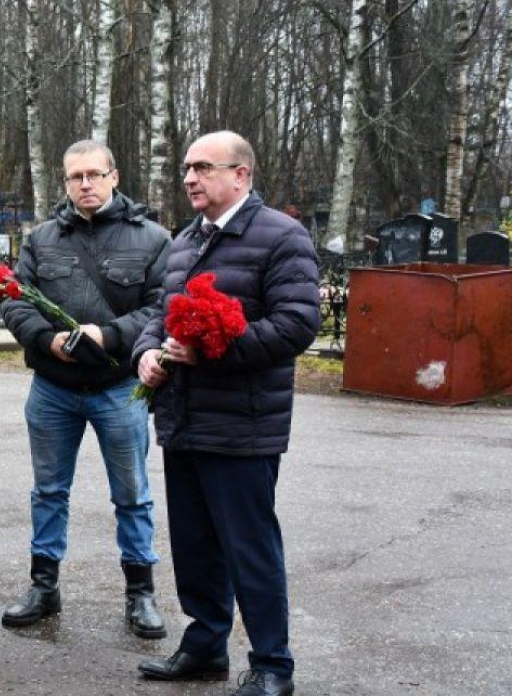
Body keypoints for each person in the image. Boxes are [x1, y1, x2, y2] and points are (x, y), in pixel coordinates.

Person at [132, 131, 319, 696]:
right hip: (184, 419)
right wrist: (145, 353)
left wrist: (214, 350)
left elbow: (296, 324)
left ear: (241, 175)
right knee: (194, 543)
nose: (189, 177)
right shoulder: (184, 241)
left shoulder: (282, 237)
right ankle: (206, 643)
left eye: (203, 167)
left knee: (249, 547)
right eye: (187, 168)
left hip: (243, 425)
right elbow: (160, 316)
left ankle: (272, 665)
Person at [0, 140, 170, 636]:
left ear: (114, 176)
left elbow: (162, 306)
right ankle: (43, 586)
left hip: (118, 387)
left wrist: (110, 335)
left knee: (132, 494)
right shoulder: (42, 239)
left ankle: (141, 594)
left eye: (95, 174)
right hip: (54, 387)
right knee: (49, 491)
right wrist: (44, 340)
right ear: (65, 182)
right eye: (76, 177)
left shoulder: (153, 239)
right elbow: (12, 298)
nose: (86, 184)